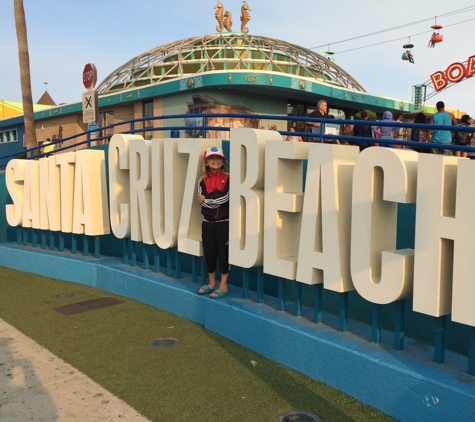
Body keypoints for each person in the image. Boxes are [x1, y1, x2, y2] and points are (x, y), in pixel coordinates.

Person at [197, 146, 230, 299]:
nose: (215, 161)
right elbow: (200, 202)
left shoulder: (229, 178)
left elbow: (226, 198)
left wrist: (208, 200)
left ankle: (223, 285)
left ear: (223, 161)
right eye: (211, 158)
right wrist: (210, 202)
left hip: (224, 223)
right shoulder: (202, 180)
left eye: (218, 158)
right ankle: (212, 283)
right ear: (207, 162)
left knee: (224, 254)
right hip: (207, 223)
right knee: (209, 253)